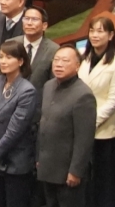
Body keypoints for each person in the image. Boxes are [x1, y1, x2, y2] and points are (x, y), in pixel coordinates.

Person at [0, 39, 40, 207]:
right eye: (1, 57)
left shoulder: (27, 91)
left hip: (14, 162)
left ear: (20, 61)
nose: (3, 61)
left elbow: (15, 130)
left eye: (8, 57)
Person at [38, 46, 97, 207]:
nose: (58, 64)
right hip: (47, 166)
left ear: (77, 66)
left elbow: (84, 139)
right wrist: (39, 158)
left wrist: (76, 171)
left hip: (67, 171)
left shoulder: (83, 95)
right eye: (56, 60)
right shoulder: (49, 86)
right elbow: (43, 124)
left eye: (65, 61)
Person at [79, 16, 115, 207]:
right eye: (92, 31)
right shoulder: (82, 56)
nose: (95, 35)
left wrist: (91, 122)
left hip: (103, 131)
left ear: (110, 35)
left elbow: (114, 100)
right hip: (79, 126)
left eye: (100, 31)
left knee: (101, 180)